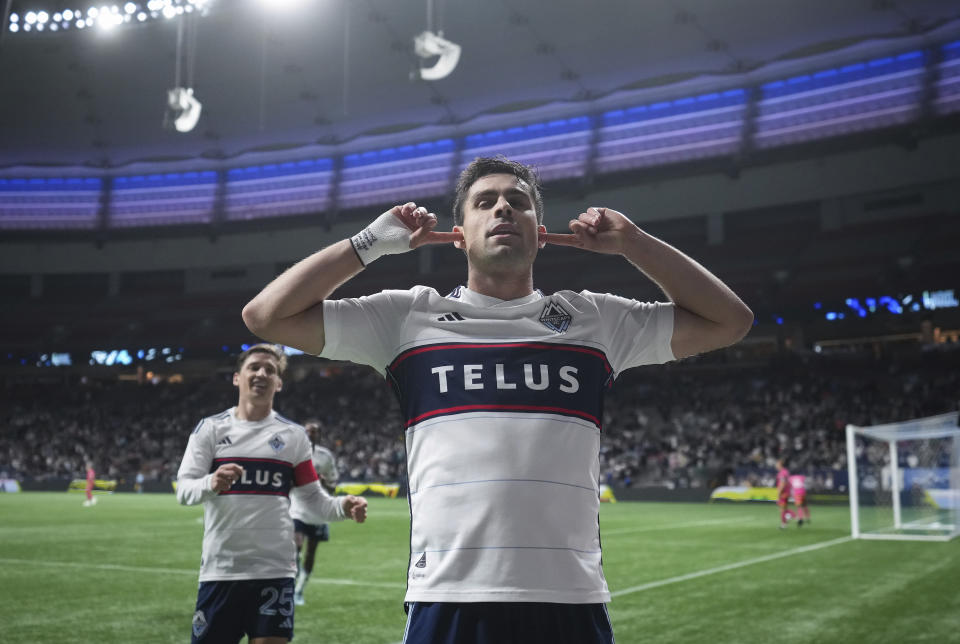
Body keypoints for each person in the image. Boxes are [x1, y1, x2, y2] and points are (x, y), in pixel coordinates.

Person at [241, 157, 753, 643]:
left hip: (570, 597)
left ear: (542, 235)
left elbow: (730, 322)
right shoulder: (406, 318)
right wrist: (370, 242)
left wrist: (634, 243)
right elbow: (266, 317)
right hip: (448, 597)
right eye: (485, 202)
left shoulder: (596, 319)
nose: (504, 208)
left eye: (519, 201)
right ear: (457, 236)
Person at [176, 343, 369, 644]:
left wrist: (344, 505)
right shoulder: (209, 430)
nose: (262, 373)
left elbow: (313, 500)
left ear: (278, 383)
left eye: (271, 369)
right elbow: (185, 489)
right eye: (254, 367)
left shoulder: (293, 437)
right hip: (222, 570)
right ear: (237, 377)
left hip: (275, 569)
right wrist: (211, 482)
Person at [289, 420, 339, 606]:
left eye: (315, 432)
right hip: (297, 509)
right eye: (308, 431)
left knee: (310, 553)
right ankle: (291, 583)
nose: (311, 434)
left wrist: (324, 483)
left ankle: (299, 590)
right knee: (296, 546)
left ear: (320, 435)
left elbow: (333, 487)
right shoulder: (293, 454)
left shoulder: (325, 457)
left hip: (318, 511)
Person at [776, 458, 796, 529]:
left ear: (780, 465)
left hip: (784, 493)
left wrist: (779, 492)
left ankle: (790, 518)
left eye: (777, 464)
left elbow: (782, 483)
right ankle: (790, 517)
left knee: (782, 509)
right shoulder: (786, 472)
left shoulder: (782, 473)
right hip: (787, 492)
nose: (776, 465)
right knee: (784, 508)